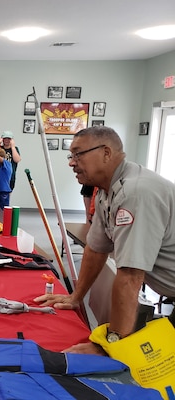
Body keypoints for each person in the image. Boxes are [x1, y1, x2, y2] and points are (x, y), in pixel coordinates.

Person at [35, 126, 175, 354]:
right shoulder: (105, 192)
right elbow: (96, 249)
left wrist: (111, 347)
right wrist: (75, 297)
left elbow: (130, 276)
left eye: (78, 154)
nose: (72, 162)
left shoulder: (136, 193)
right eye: (71, 155)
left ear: (106, 153)